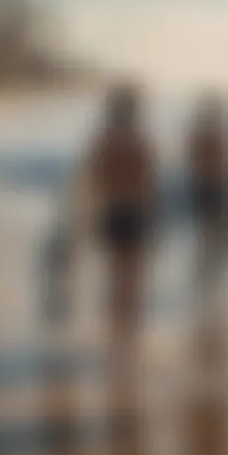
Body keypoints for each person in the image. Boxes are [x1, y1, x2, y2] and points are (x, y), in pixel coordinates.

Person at [86, 82, 157, 370]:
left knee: (116, 271)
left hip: (112, 209)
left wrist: (92, 212)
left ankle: (117, 335)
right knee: (133, 273)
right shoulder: (141, 140)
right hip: (135, 209)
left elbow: (94, 179)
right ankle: (128, 336)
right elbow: (149, 180)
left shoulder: (104, 140)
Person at [187, 90, 228, 291]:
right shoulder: (216, 135)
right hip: (214, 186)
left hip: (204, 185)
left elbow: (194, 159)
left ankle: (207, 269)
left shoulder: (200, 134)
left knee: (208, 229)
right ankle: (210, 270)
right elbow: (226, 162)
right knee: (214, 229)